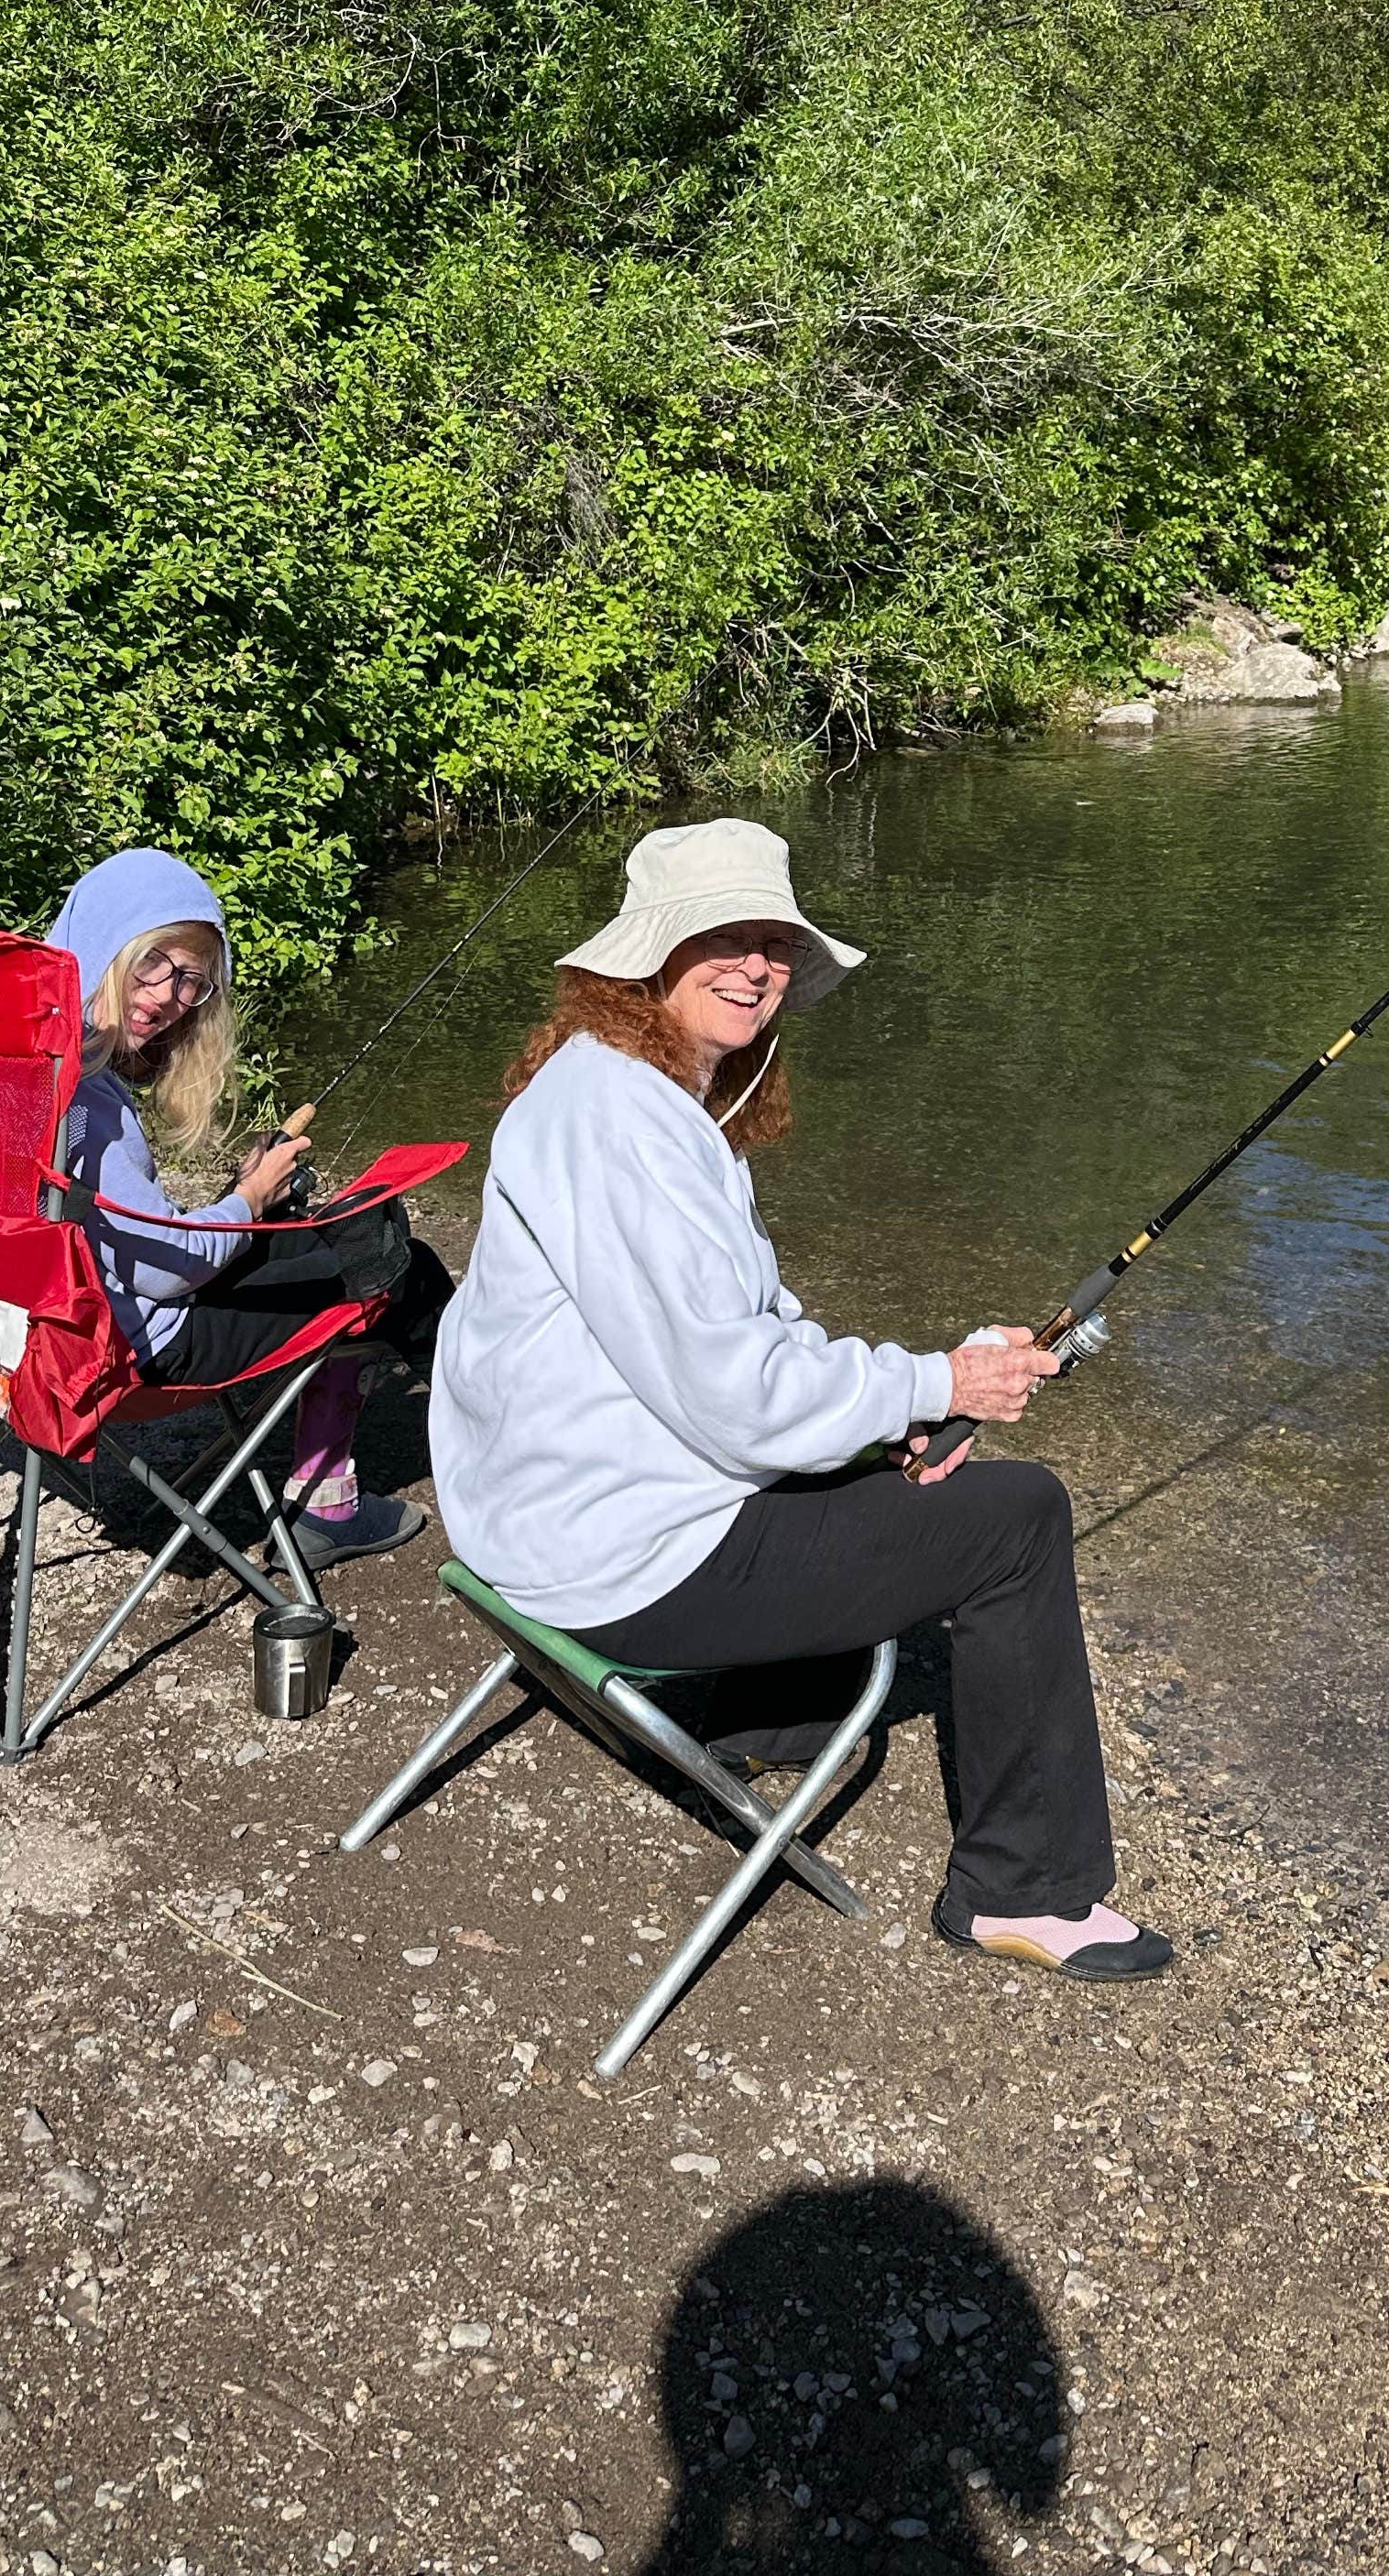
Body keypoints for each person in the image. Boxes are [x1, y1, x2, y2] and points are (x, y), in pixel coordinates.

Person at [430, 815, 1170, 1981]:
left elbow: (750, 1340)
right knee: (1019, 1521)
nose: (757, 966)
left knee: (884, 1459)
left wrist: (904, 1410)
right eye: (722, 938)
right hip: (609, 1560)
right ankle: (1025, 1890)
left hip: (547, 1515)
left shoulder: (629, 1094)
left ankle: (775, 1724)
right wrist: (944, 1379)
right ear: (648, 957)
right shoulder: (622, 1121)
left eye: (774, 943)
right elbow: (738, 1397)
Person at [49, 846, 448, 1567]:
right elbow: (166, 1270)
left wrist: (246, 1204)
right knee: (385, 1258)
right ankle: (350, 1495)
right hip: (141, 1348)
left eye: (190, 981)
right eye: (152, 962)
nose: (167, 996)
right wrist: (249, 1198)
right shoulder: (86, 1101)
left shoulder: (23, 1071)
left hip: (41, 1331)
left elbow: (116, 1230)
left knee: (323, 1237)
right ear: (104, 944)